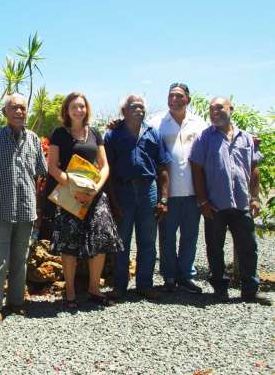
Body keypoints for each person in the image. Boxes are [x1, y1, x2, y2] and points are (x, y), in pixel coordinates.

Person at [0, 93, 47, 325]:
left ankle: (16, 302)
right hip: (1, 211)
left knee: (20, 259)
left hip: (26, 211)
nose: (19, 112)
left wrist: (38, 209)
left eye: (23, 108)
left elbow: (38, 177)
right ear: (5, 112)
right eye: (14, 108)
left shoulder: (34, 140)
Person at [189, 96, 271, 305]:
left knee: (248, 247)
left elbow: (254, 169)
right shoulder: (204, 138)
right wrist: (202, 201)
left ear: (230, 109)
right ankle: (220, 289)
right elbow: (196, 170)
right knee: (215, 248)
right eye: (211, 109)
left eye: (219, 108)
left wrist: (254, 198)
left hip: (242, 203)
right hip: (215, 204)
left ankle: (250, 290)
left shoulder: (246, 138)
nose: (214, 112)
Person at [48, 92, 123, 308]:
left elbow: (104, 165)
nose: (78, 110)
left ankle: (94, 288)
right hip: (69, 194)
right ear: (67, 110)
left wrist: (93, 190)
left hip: (94, 196)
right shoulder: (59, 134)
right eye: (74, 107)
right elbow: (52, 166)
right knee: (69, 244)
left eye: (82, 106)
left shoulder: (95, 133)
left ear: (86, 109)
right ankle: (70, 291)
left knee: (98, 242)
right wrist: (73, 189)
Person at [104, 94, 171, 301]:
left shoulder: (153, 133)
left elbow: (163, 167)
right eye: (134, 106)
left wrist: (164, 199)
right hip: (122, 191)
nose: (139, 109)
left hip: (148, 191)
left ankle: (145, 284)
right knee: (122, 242)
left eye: (142, 106)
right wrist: (113, 203)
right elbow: (108, 171)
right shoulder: (113, 135)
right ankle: (119, 287)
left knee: (148, 241)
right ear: (124, 111)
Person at [148, 83, 207, 293]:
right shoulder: (156, 123)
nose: (174, 99)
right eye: (171, 96)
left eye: (179, 96)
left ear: (188, 99)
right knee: (166, 237)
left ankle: (186, 276)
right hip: (167, 193)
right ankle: (169, 276)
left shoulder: (199, 124)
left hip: (193, 191)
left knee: (190, 235)